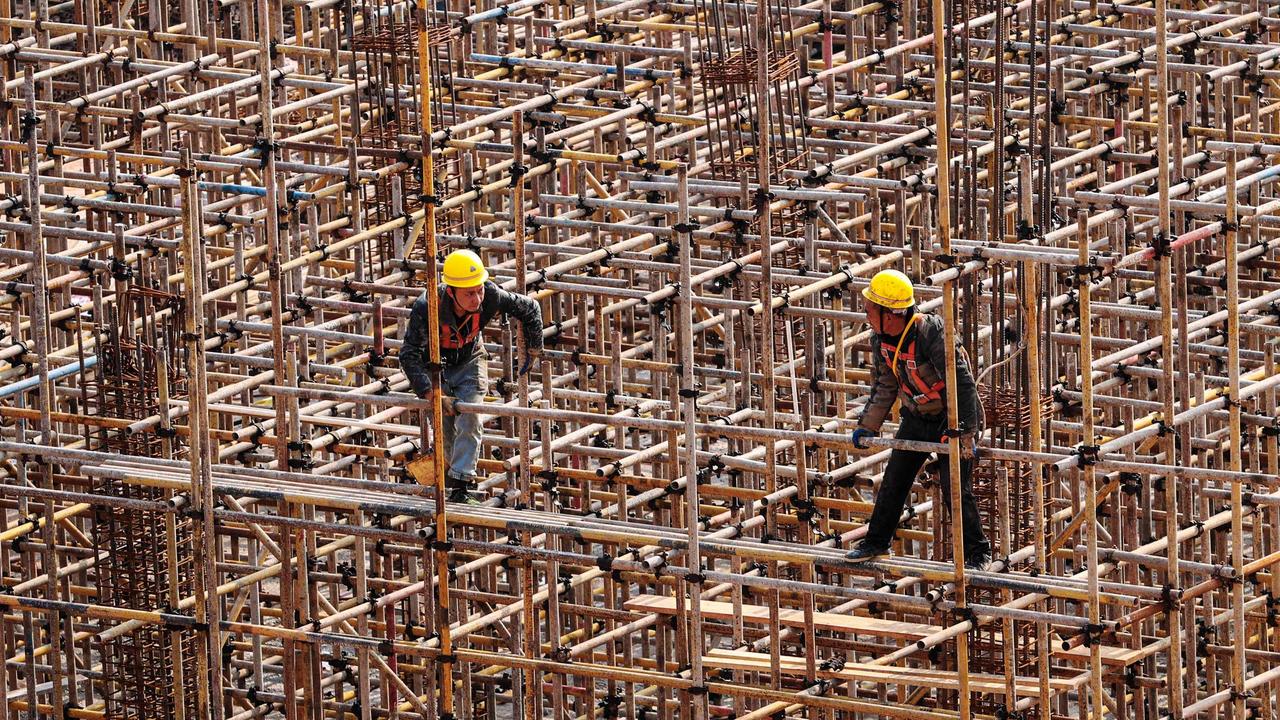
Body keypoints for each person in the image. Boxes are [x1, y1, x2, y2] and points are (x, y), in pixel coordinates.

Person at [845, 269, 990, 570]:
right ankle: (876, 541)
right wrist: (866, 425)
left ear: (891, 314)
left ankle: (978, 554)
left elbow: (961, 384)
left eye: (872, 309)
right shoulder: (881, 340)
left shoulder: (930, 333)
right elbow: (886, 386)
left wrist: (963, 432)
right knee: (894, 481)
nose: (867, 314)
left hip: (950, 418)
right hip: (915, 416)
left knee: (956, 490)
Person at [401, 249, 543, 501]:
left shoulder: (491, 296)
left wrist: (533, 349)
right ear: (451, 291)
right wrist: (431, 393)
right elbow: (409, 355)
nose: (477, 298)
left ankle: (463, 483)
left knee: (471, 416)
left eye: (479, 290)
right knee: (444, 426)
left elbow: (530, 308)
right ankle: (447, 480)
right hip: (435, 366)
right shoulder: (428, 307)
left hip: (470, 360)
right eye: (469, 293)